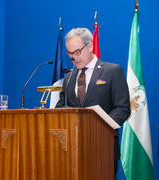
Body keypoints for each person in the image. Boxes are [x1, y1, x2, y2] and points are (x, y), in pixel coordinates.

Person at [56, 28, 131, 173]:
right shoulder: (68, 78)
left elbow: (122, 108)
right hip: (72, 151)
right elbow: (61, 109)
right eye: (70, 53)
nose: (73, 58)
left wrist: (98, 127)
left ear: (90, 46)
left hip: (103, 148)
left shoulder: (112, 71)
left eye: (77, 52)